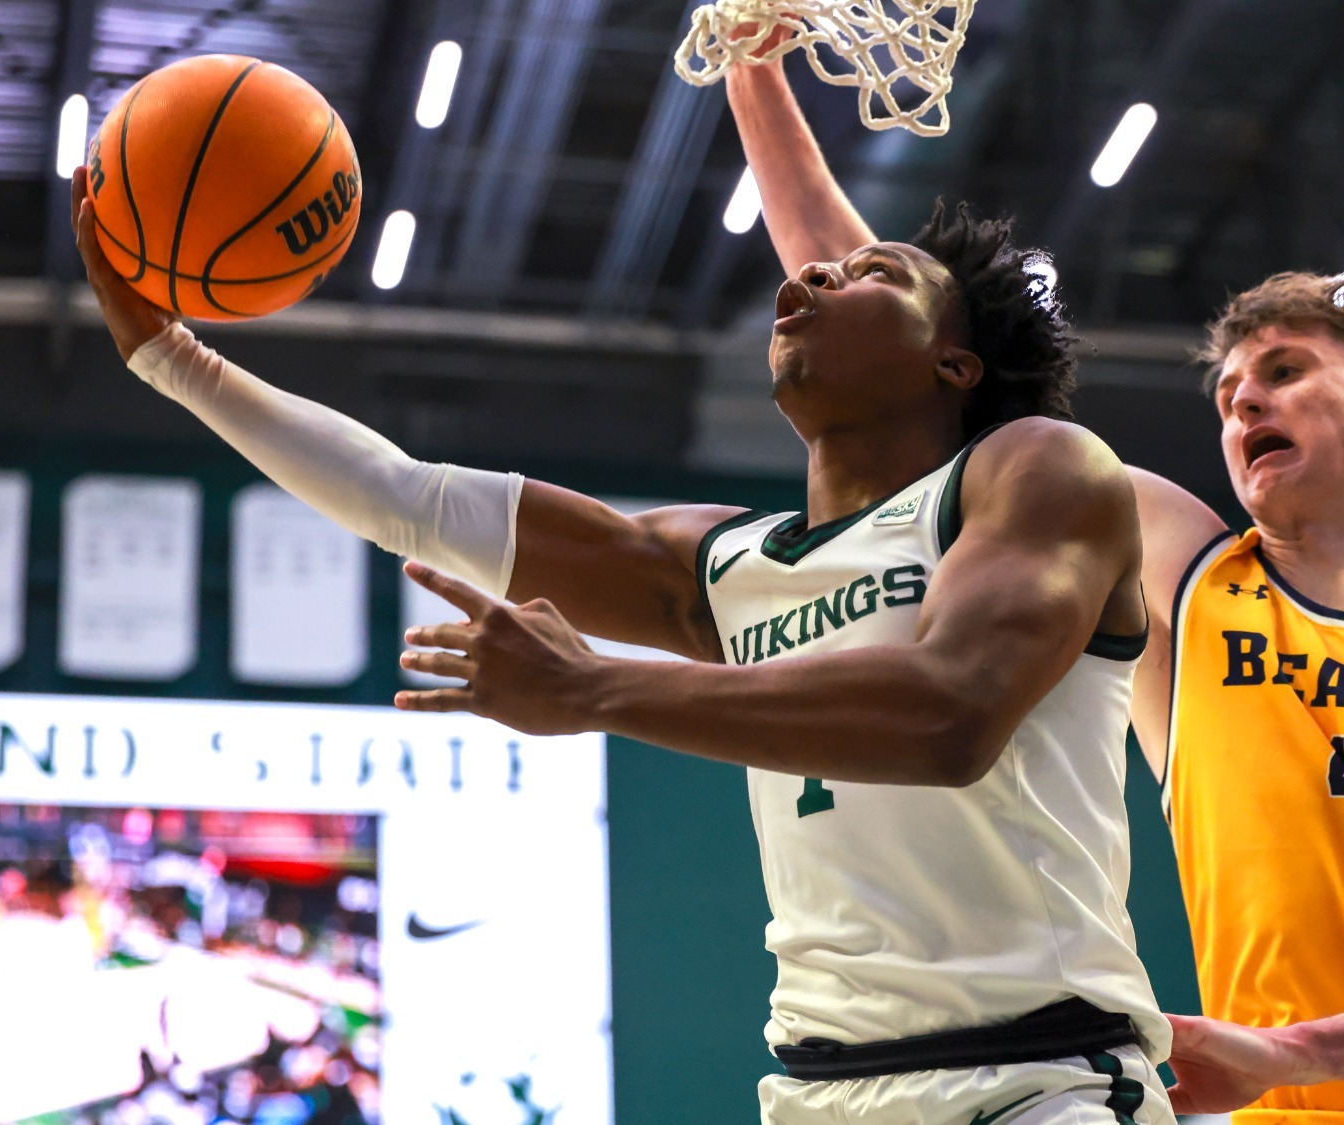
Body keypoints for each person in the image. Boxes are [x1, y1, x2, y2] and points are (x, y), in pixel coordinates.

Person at [69, 162, 1175, 1120]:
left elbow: (950, 715)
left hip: (1036, 1078)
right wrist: (171, 357)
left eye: (870, 273)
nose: (807, 278)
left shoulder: (1035, 468)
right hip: (820, 1088)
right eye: (815, 271)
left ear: (954, 366)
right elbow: (405, 498)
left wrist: (598, 691)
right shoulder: (723, 566)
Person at [723, 53, 1344, 1125]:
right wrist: (754, 72)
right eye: (1225, 392)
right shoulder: (1191, 581)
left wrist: (1295, 1050)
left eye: (1283, 371)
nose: (1242, 400)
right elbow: (898, 344)